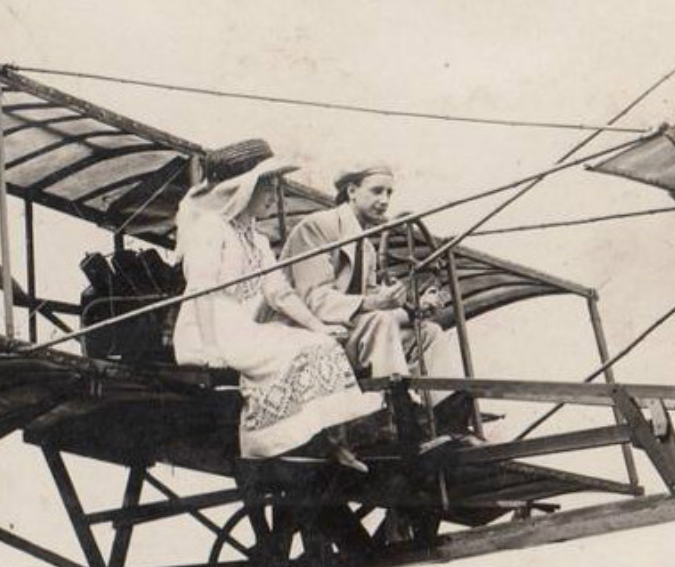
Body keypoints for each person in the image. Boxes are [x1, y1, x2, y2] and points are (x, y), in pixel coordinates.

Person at [172, 139, 380, 467]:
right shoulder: (211, 229)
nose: (273, 194)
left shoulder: (257, 239)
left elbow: (279, 293)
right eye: (267, 185)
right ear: (243, 188)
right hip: (206, 329)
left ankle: (330, 442)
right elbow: (201, 290)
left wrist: (319, 326)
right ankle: (266, 441)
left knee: (320, 344)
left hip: (242, 327)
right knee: (293, 353)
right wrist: (210, 349)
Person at [279, 163, 475, 434]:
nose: (384, 200)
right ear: (352, 191)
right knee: (381, 322)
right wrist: (376, 302)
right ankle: (401, 420)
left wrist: (414, 308)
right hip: (308, 334)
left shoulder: (367, 247)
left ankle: (452, 423)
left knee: (428, 333)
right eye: (377, 191)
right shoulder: (316, 228)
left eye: (389, 193)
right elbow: (314, 299)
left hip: (349, 334)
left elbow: (371, 300)